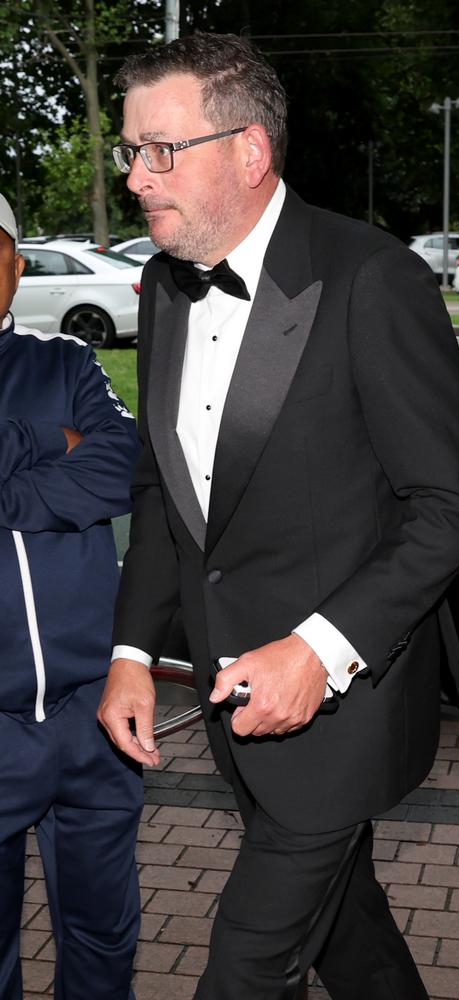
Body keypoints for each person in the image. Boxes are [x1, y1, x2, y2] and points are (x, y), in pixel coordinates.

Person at [98, 33, 459, 1000]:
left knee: (243, 968)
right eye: (129, 151)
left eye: (161, 150)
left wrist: (321, 648)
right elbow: (166, 492)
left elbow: (449, 508)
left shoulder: (371, 279)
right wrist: (133, 654)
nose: (137, 178)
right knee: (350, 939)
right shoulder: (164, 286)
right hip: (236, 709)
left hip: (338, 705)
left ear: (249, 150)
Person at [0, 192, 142, 999]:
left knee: (102, 937)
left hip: (94, 715)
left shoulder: (67, 364)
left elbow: (122, 466)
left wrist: (9, 490)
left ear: (16, 269)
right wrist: (47, 443)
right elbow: (81, 465)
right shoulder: (60, 401)